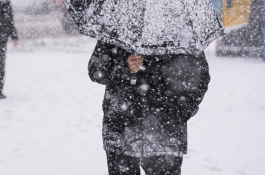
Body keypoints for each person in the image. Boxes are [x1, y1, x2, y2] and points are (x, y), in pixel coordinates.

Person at [88, 41, 210, 175]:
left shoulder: (180, 31)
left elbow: (200, 77)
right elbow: (96, 70)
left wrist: (179, 112)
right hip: (122, 130)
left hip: (166, 134)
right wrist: (124, 66)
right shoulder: (116, 27)